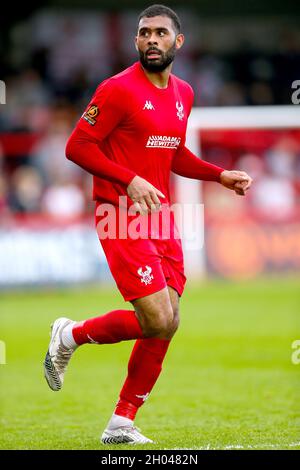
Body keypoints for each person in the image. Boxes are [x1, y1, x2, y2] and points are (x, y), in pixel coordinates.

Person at [43, 4, 252, 445]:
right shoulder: (117, 90)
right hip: (120, 215)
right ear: (136, 41)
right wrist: (128, 178)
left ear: (178, 42)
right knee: (157, 317)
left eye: (160, 33)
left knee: (167, 321)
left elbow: (172, 153)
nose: (151, 40)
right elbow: (77, 146)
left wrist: (218, 174)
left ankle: (121, 421)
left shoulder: (184, 93)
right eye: (144, 33)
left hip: (162, 217)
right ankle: (71, 334)